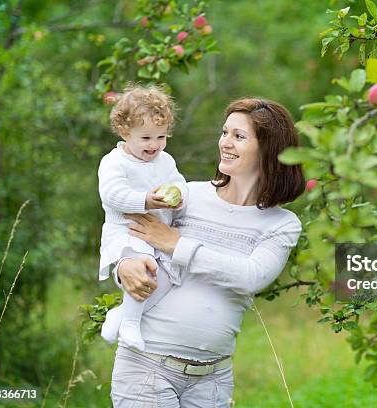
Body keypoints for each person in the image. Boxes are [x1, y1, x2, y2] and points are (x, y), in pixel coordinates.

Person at [109, 97, 305, 407]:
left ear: (268, 149)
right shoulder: (187, 195)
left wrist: (176, 243)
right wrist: (124, 264)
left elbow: (251, 277)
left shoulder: (281, 224)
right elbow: (129, 230)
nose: (226, 143)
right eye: (225, 132)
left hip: (213, 379)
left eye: (238, 136)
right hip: (146, 366)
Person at [97, 84, 188, 352]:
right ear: (125, 132)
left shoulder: (165, 161)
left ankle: (122, 314)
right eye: (146, 138)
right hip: (128, 231)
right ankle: (130, 326)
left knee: (167, 277)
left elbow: (180, 183)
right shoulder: (114, 162)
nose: (155, 145)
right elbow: (112, 195)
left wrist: (180, 196)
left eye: (161, 137)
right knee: (144, 269)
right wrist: (145, 200)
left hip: (157, 234)